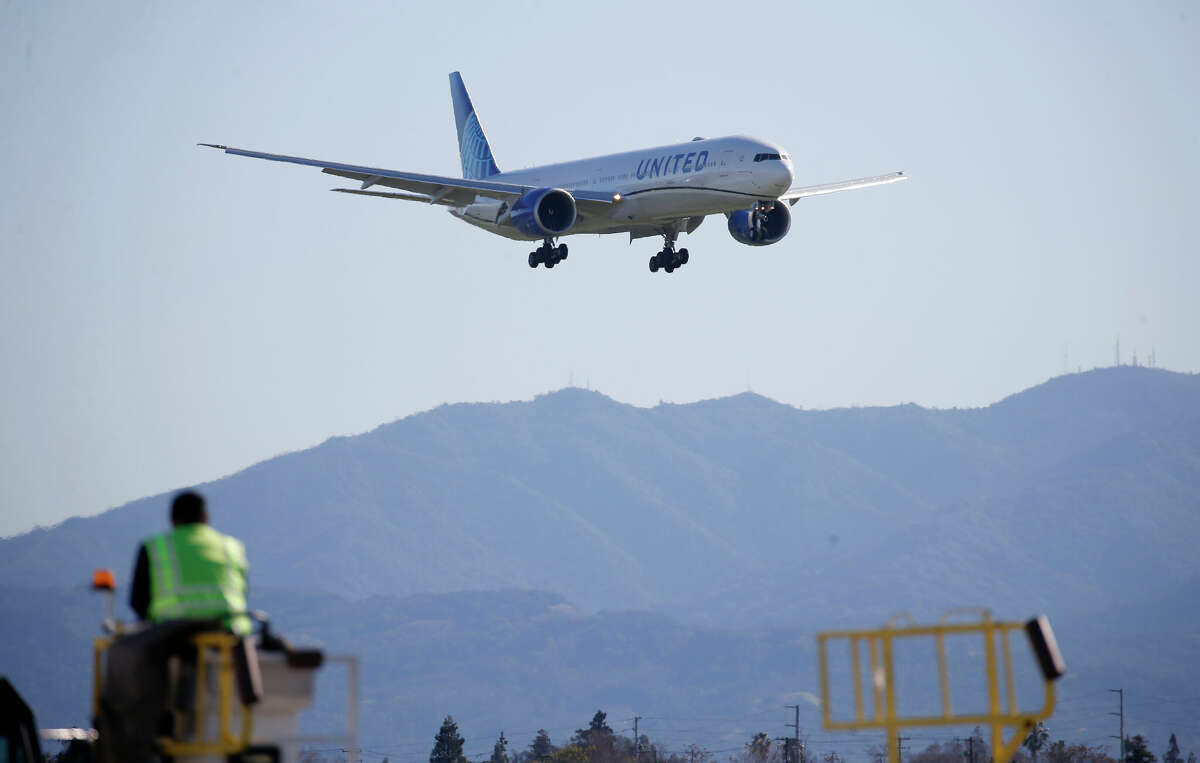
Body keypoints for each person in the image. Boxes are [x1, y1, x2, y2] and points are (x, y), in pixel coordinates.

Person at [129, 490, 250, 634]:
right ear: (205, 518)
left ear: (172, 520)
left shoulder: (154, 548)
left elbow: (138, 601)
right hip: (230, 635)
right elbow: (242, 592)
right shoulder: (232, 547)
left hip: (172, 637)